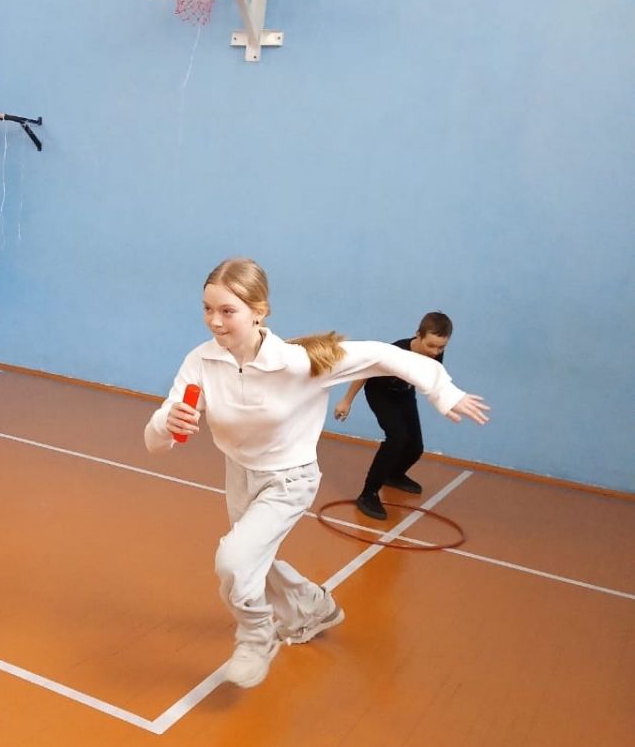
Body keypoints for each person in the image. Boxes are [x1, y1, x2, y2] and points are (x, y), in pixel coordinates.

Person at [144, 261, 488, 690]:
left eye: (227, 311)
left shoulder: (300, 362)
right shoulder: (201, 362)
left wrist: (443, 391)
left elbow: (384, 355)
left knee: (233, 560)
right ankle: (312, 606)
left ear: (259, 311)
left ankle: (257, 636)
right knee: (253, 558)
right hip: (240, 474)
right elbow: (156, 442)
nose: (214, 321)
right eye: (207, 309)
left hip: (289, 480)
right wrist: (165, 423)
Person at [334, 312, 452, 521]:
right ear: (418, 335)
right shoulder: (396, 351)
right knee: (397, 438)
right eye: (431, 346)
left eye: (441, 347)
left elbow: (433, 379)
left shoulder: (435, 355)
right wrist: (347, 401)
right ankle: (368, 494)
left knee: (415, 447)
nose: (435, 352)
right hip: (380, 393)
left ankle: (394, 475)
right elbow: (365, 372)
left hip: (404, 394)